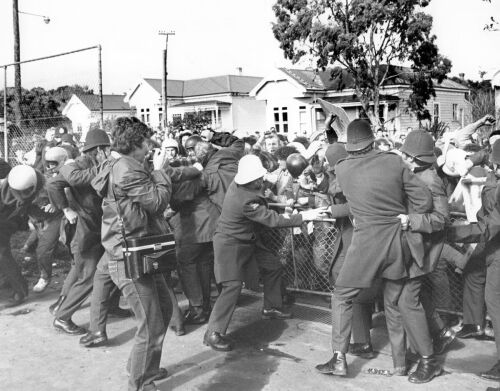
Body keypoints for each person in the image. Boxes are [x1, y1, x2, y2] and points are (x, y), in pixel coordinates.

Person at [315, 119, 436, 383]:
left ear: (351, 145)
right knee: (393, 304)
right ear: (372, 139)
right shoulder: (394, 162)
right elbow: (424, 201)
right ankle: (401, 365)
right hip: (396, 242)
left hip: (365, 246)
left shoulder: (343, 169)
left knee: (342, 296)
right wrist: (400, 211)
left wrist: (336, 209)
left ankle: (338, 358)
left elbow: (358, 204)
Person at [203, 154, 325, 352]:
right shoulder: (245, 200)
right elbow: (272, 220)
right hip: (231, 244)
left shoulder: (241, 185)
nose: (262, 179)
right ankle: (214, 332)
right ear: (251, 180)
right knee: (232, 287)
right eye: (258, 177)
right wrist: (304, 216)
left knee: (273, 266)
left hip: (247, 240)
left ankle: (271, 307)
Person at [91, 117, 173, 391]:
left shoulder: (121, 164)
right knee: (150, 324)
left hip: (137, 250)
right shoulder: (127, 169)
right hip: (130, 256)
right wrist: (160, 171)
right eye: (148, 143)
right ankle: (140, 383)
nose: (151, 148)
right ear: (135, 144)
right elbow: (157, 202)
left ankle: (144, 367)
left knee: (163, 309)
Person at [447, 139, 500, 383]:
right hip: (491, 245)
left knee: (496, 304)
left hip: (495, 245)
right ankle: (474, 323)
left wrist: (454, 233)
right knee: (475, 275)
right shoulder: (494, 177)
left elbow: (491, 224)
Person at [0, 165, 45, 307]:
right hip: (5, 216)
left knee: (2, 254)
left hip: (9, 220)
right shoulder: (7, 185)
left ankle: (20, 290)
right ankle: (6, 280)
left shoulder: (34, 183)